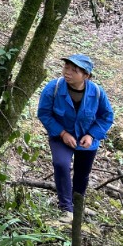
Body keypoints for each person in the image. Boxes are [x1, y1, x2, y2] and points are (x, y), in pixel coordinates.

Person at [37, 54, 114, 223]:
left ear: (86, 75)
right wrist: (62, 133)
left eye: (74, 70)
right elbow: (44, 113)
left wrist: (91, 135)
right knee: (61, 164)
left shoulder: (97, 93)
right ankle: (66, 208)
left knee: (82, 173)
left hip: (86, 139)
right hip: (60, 136)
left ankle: (77, 205)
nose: (68, 72)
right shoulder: (54, 88)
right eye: (66, 68)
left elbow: (106, 116)